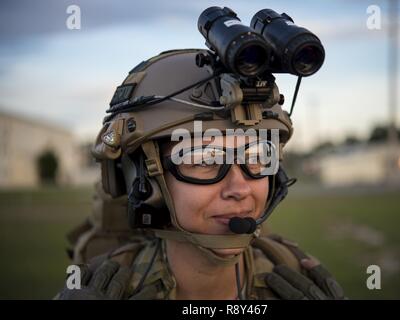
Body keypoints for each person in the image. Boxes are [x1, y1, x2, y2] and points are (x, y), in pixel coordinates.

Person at [56, 47, 345, 300]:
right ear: (143, 178)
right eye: (204, 159)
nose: (240, 188)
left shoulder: (294, 272)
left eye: (257, 156)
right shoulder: (102, 287)